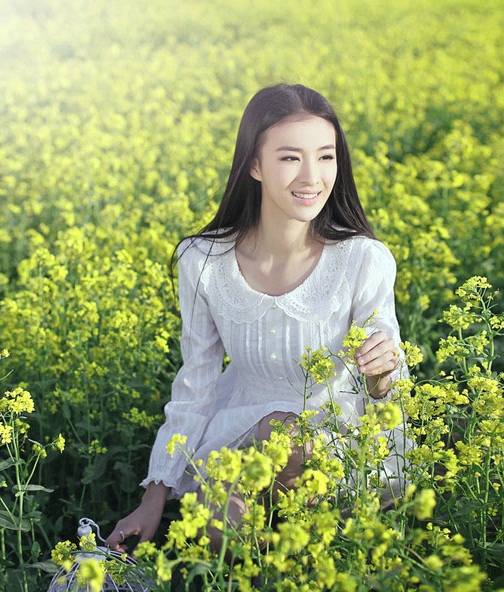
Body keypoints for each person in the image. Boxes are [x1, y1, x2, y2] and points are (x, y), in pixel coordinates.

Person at [107, 83, 410, 552]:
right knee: (220, 536)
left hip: (336, 437)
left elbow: (383, 389)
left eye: (325, 157)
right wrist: (154, 498)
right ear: (254, 164)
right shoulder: (204, 260)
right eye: (290, 158)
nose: (312, 176)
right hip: (242, 427)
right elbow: (196, 385)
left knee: (290, 437)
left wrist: (383, 373)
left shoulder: (362, 259)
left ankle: (296, 544)